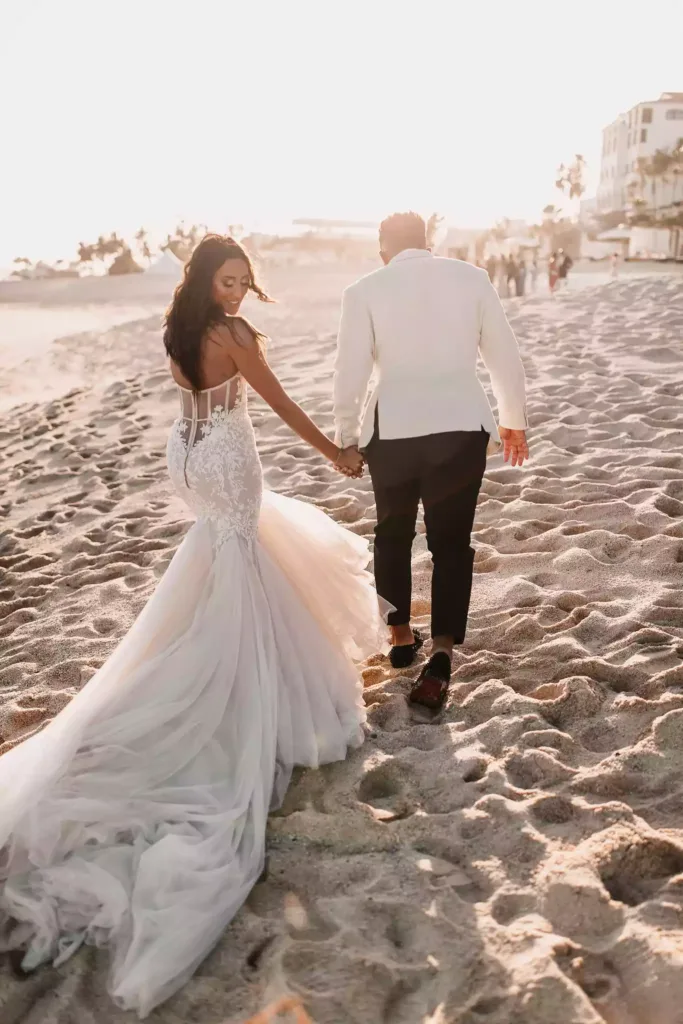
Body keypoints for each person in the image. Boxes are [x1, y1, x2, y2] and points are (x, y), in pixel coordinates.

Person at [0, 235, 388, 1016]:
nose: (239, 292)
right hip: (227, 452)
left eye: (245, 282)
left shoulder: (177, 329)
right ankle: (247, 681)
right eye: (229, 280)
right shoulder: (233, 334)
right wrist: (335, 454)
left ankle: (231, 653)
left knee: (228, 551)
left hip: (187, 449)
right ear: (208, 280)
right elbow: (277, 402)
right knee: (242, 550)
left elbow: (201, 397)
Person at [334, 212, 529, 712]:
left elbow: (349, 372)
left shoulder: (364, 290)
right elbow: (504, 357)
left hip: (393, 433)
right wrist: (513, 421)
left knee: (392, 533)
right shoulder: (472, 278)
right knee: (452, 542)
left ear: (383, 248)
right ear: (428, 242)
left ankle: (401, 637)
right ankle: (441, 652)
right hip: (460, 429)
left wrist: (347, 438)